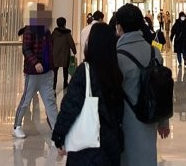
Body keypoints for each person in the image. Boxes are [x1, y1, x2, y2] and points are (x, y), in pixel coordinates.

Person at [51, 22, 124, 164]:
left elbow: (70, 106)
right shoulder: (116, 73)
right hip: (111, 143)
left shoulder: (84, 71)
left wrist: (59, 135)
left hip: (86, 145)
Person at [114, 3, 171, 164]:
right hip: (149, 119)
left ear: (119, 27)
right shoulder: (155, 52)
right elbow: (162, 90)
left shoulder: (117, 56)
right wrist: (164, 121)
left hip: (124, 123)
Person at [12, 14, 59, 137]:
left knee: (50, 101)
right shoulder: (29, 31)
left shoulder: (47, 32)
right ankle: (17, 126)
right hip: (32, 73)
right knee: (26, 100)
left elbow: (50, 50)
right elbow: (26, 49)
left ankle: (56, 128)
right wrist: (36, 62)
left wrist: (52, 68)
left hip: (47, 72)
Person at [51, 17, 78, 91]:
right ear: (65, 24)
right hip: (65, 55)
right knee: (65, 70)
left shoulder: (54, 33)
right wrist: (75, 51)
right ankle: (65, 83)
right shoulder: (67, 34)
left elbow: (50, 43)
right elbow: (72, 44)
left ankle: (53, 87)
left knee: (55, 72)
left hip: (55, 55)